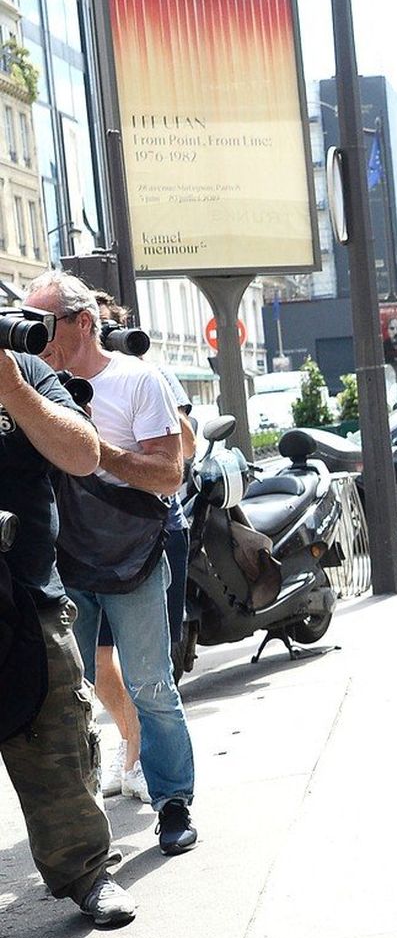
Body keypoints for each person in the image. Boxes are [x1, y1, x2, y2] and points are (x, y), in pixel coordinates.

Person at [29, 270, 199, 856]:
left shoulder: (136, 379)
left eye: (43, 324)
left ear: (83, 323)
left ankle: (173, 802)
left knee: (151, 683)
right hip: (63, 559)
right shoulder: (31, 383)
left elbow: (169, 473)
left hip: (133, 554)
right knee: (68, 692)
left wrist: (90, 450)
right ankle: (83, 829)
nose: (34, 336)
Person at [0, 319, 136, 926]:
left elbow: (83, 455)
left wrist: (11, 388)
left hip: (31, 601)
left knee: (59, 745)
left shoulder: (25, 372)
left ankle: (87, 874)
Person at [88, 293, 196, 803]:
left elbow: (184, 450)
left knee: (151, 671)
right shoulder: (56, 377)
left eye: (109, 328)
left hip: (151, 531)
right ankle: (130, 739)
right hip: (86, 539)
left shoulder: (144, 373)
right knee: (95, 661)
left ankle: (145, 765)